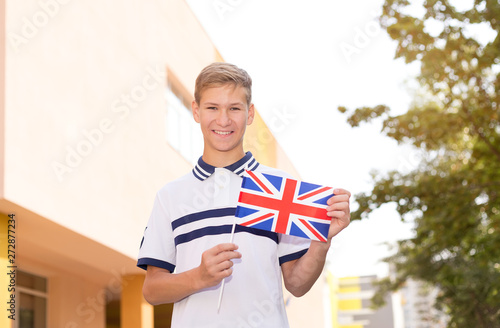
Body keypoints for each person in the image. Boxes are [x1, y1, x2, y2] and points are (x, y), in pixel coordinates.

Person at [137, 62, 351, 327]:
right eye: (212, 107)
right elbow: (152, 290)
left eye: (234, 108)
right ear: (196, 110)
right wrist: (199, 277)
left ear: (249, 114)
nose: (223, 120)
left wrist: (321, 241)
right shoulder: (170, 196)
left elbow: (297, 284)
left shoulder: (279, 188)